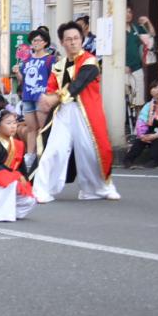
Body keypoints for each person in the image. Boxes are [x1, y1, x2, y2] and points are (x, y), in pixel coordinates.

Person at [31, 21, 120, 203]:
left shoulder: (90, 61)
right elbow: (50, 87)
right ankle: (41, 190)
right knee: (54, 149)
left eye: (76, 38)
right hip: (63, 112)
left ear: (82, 40)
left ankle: (99, 188)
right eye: (68, 39)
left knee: (92, 151)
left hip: (86, 112)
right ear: (62, 42)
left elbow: (79, 83)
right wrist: (47, 99)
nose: (73, 42)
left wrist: (56, 97)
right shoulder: (59, 65)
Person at [13, 29, 54, 166]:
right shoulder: (27, 60)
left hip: (41, 97)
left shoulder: (50, 59)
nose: (35, 43)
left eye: (38, 40)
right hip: (27, 96)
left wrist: (49, 97)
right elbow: (23, 80)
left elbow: (53, 79)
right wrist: (18, 73)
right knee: (31, 128)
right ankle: (29, 156)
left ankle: (44, 155)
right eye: (33, 40)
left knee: (43, 128)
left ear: (45, 42)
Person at [122, 79, 158, 169]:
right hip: (152, 132)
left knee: (157, 138)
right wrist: (142, 135)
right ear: (151, 91)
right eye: (155, 87)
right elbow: (141, 121)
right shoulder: (147, 105)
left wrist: (157, 134)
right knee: (141, 139)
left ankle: (156, 161)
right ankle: (128, 160)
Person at [125, 7, 154, 110]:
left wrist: (148, 22)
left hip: (137, 68)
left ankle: (139, 125)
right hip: (121, 72)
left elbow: (152, 36)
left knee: (138, 101)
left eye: (130, 12)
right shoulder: (116, 30)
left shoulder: (136, 28)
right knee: (122, 102)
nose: (128, 14)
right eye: (125, 11)